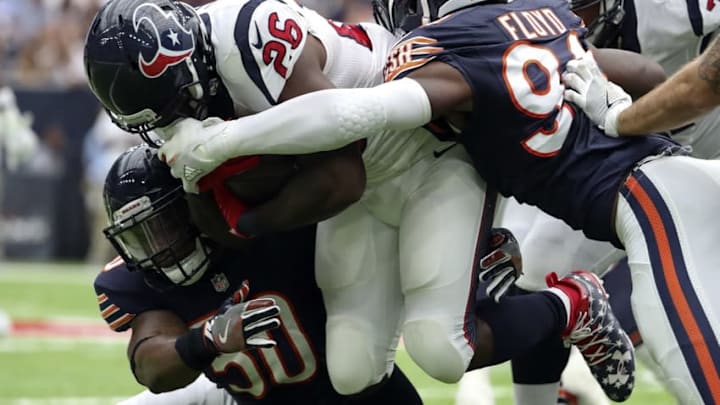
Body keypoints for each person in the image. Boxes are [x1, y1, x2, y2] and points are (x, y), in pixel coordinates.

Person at [150, 0, 720, 403]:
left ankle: (573, 303)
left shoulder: (454, 49)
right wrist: (629, 119)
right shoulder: (536, 16)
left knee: (698, 371)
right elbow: (637, 70)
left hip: (650, 201)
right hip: (650, 188)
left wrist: (218, 143)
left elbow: (353, 117)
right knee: (352, 370)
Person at [496, 0, 720, 402]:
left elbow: (700, 87)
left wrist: (622, 116)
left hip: (698, 136)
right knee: (539, 267)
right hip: (630, 149)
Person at [94, 143, 425, 404]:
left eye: (162, 227)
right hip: (240, 398)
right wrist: (207, 339)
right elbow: (152, 370)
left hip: (357, 398)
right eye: (139, 238)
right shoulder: (148, 280)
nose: (156, 248)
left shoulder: (266, 225)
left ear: (190, 207)